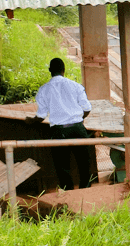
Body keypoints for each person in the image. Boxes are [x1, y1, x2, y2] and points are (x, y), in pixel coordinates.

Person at [26, 58, 93, 190]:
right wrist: (79, 120)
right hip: (78, 129)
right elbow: (87, 109)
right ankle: (85, 189)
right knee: (84, 163)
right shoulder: (76, 86)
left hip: (59, 132)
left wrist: (31, 121)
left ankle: (68, 192)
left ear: (50, 70)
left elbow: (41, 115)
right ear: (64, 70)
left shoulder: (44, 90)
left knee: (63, 166)